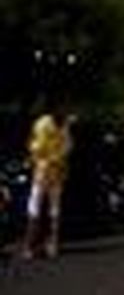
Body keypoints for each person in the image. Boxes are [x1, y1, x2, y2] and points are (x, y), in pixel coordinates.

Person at [21, 108, 74, 259]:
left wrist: (44, 158)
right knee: (47, 208)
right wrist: (55, 158)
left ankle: (38, 245)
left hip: (48, 171)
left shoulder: (53, 125)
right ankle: (44, 245)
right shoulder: (52, 125)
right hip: (51, 171)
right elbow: (65, 148)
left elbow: (37, 147)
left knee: (42, 207)